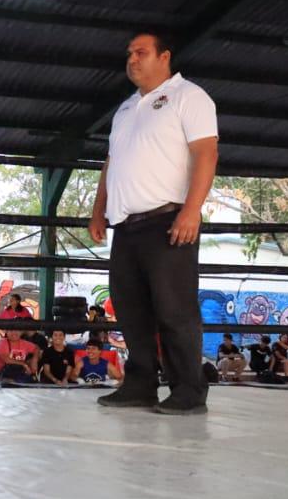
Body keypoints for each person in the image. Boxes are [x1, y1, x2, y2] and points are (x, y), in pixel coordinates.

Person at [90, 32, 218, 415]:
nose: (132, 59)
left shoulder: (188, 97)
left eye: (141, 52)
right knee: (131, 309)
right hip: (125, 226)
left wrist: (192, 210)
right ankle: (140, 384)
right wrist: (99, 210)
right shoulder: (126, 109)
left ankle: (189, 390)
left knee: (174, 310)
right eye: (129, 53)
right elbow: (111, 164)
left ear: (164, 56)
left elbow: (206, 153)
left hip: (168, 219)